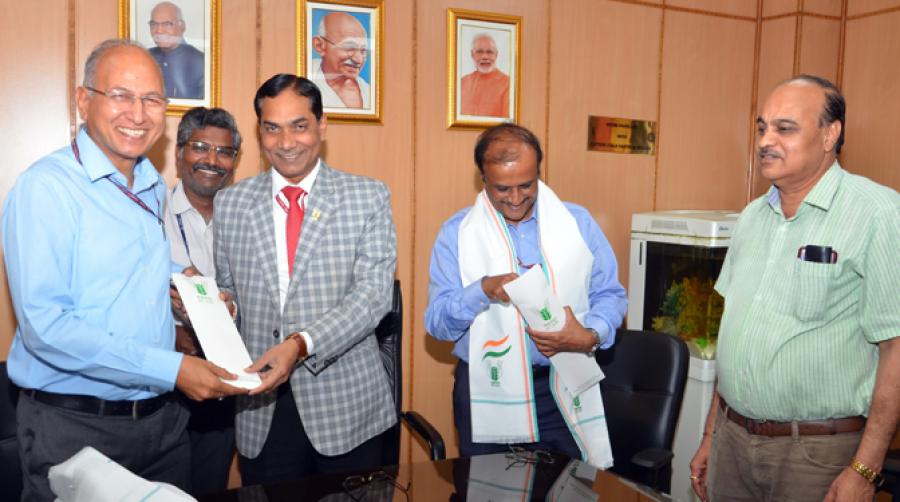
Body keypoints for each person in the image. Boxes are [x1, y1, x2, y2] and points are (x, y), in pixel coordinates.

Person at [1, 39, 246, 501]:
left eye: (152, 99)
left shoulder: (150, 183)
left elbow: (129, 261)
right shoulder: (45, 189)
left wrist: (186, 282)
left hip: (162, 425)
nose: (138, 113)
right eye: (120, 95)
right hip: (76, 429)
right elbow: (46, 328)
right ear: (83, 100)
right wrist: (173, 368)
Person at [689, 75, 900, 502]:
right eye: (762, 127)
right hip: (732, 441)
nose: (766, 141)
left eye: (784, 128)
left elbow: (895, 347)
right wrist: (712, 434)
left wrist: (865, 469)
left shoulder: (879, 214)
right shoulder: (751, 217)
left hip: (816, 455)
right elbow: (735, 334)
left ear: (830, 134)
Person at [213, 74, 397, 485]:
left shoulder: (367, 197)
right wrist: (219, 305)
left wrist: (300, 344)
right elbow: (230, 289)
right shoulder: (231, 203)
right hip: (262, 407)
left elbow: (373, 297)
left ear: (322, 125)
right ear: (259, 132)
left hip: (347, 408)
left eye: (299, 126)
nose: (286, 142)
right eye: (272, 128)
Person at [425, 124, 627, 464]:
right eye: (503, 188)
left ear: (538, 173)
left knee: (571, 484)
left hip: (563, 387)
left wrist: (591, 334)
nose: (516, 198)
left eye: (526, 185)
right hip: (487, 389)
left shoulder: (577, 223)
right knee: (488, 485)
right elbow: (437, 325)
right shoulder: (457, 234)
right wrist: (481, 290)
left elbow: (610, 294)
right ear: (483, 179)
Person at [163, 106, 241, 494]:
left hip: (226, 385)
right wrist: (171, 328)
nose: (212, 160)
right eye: (200, 147)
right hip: (167, 385)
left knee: (210, 488)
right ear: (179, 153)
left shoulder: (244, 218)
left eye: (224, 151)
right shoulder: (150, 214)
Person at [310, 12, 370, 109]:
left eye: (363, 51)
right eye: (349, 47)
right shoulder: (306, 78)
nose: (358, 60)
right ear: (319, 46)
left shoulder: (368, 92)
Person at [149, 1, 204, 99]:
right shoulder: (146, 57)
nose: (159, 30)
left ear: (182, 26)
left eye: (167, 24)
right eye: (154, 24)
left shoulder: (200, 62)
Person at [460, 33, 510, 118]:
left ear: (496, 55)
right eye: (479, 52)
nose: (485, 57)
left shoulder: (507, 84)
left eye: (489, 52)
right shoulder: (462, 82)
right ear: (472, 54)